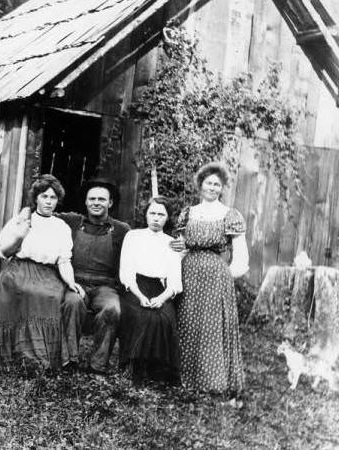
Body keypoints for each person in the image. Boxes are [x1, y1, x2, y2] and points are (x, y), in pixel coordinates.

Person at [0, 174, 79, 370]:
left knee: (45, 296)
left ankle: (37, 358)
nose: (49, 202)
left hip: (47, 275)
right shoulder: (22, 221)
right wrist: (20, 234)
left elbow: (64, 261)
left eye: (53, 198)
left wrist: (71, 282)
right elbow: (4, 252)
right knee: (6, 294)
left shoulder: (61, 227)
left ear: (57, 200)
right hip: (18, 269)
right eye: (44, 196)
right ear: (36, 199)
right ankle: (6, 354)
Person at [172, 161, 249, 394]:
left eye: (217, 184)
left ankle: (210, 381)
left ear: (222, 187)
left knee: (211, 327)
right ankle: (183, 376)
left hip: (216, 276)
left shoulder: (229, 215)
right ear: (200, 185)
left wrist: (227, 275)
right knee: (186, 322)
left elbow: (241, 253)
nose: (213, 187)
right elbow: (180, 247)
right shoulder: (189, 213)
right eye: (208, 183)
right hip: (189, 272)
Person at [58, 177, 131, 374]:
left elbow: (141, 246)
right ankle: (69, 360)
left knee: (113, 309)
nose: (96, 203)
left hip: (105, 286)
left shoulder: (122, 230)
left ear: (110, 203)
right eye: (92, 199)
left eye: (101, 199)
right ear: (85, 202)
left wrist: (172, 245)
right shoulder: (73, 222)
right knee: (72, 304)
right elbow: (44, 212)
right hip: (76, 283)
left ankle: (98, 364)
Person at [118, 196, 182, 385]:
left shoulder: (172, 243)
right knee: (144, 316)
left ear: (167, 218)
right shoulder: (133, 236)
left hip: (160, 289)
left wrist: (162, 298)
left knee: (164, 318)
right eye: (152, 213)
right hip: (135, 287)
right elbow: (126, 273)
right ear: (145, 215)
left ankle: (158, 370)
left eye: (161, 214)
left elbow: (175, 281)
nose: (156, 218)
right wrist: (139, 295)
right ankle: (136, 367)